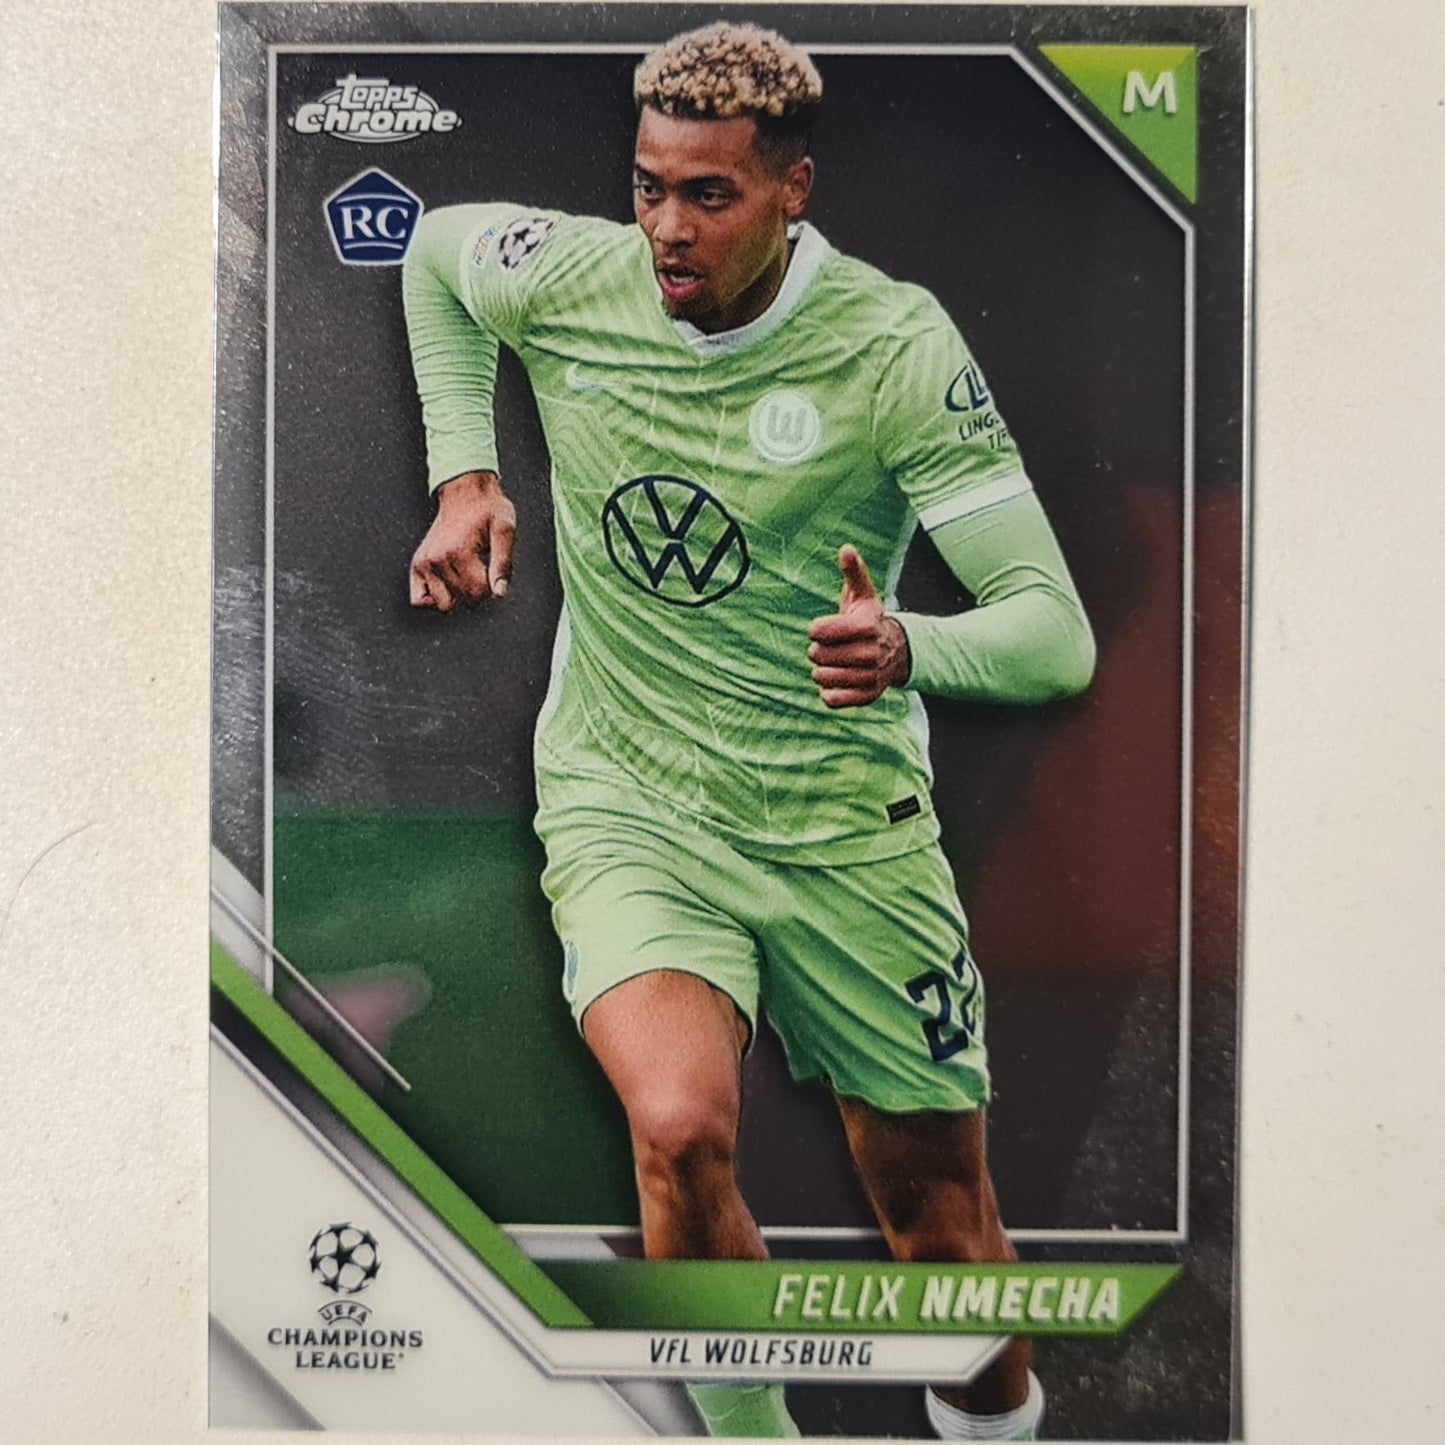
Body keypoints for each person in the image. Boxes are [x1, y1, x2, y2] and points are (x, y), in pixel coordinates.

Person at [402, 23, 1094, 1440]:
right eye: (649, 186)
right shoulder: (576, 277)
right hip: (631, 796)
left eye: (708, 195)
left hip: (842, 829)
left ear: (792, 190)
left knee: (942, 1232)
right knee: (674, 1129)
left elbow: (1051, 631)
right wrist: (465, 471)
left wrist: (912, 646)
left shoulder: (892, 347)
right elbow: (435, 254)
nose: (666, 226)